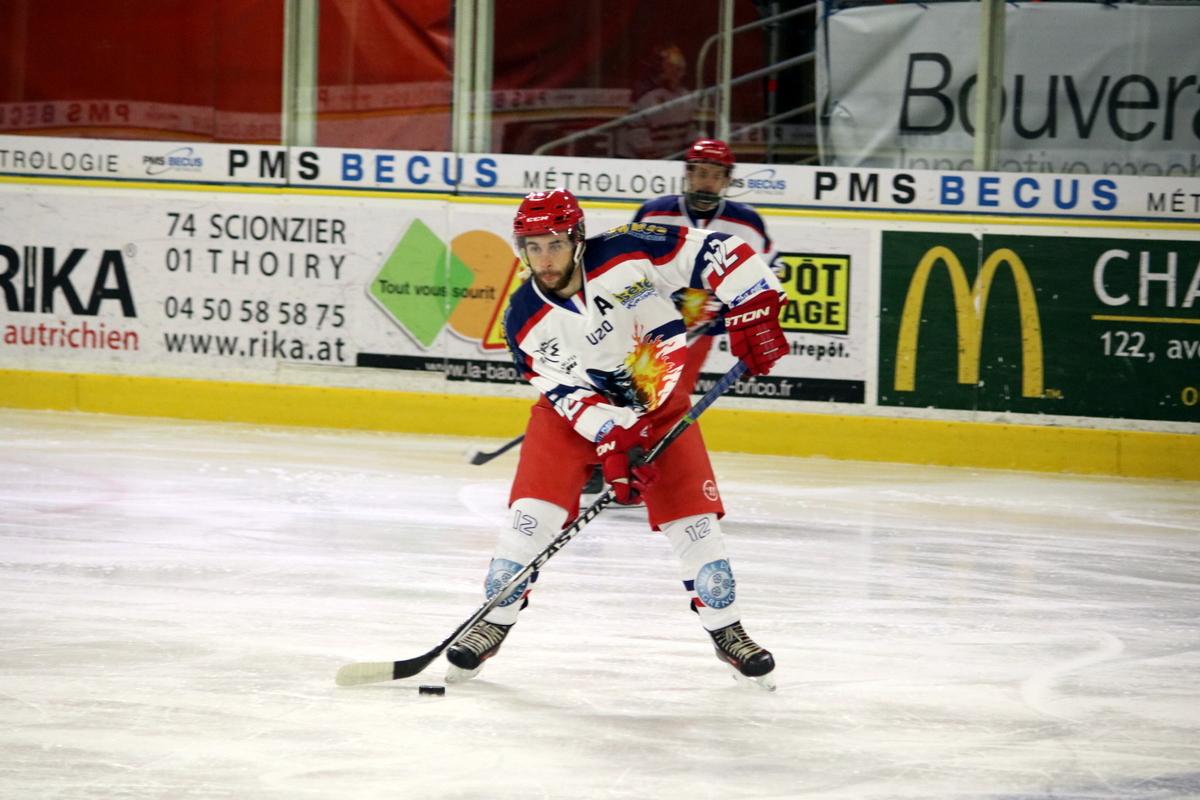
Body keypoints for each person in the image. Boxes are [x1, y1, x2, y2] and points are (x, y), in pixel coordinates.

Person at [444, 188, 787, 690]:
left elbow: (723, 252)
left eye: (555, 243)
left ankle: (726, 630)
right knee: (524, 528)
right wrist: (613, 440)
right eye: (531, 246)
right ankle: (493, 622)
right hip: (572, 421)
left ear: (578, 237)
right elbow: (564, 393)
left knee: (697, 531)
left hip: (661, 407)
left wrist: (756, 305)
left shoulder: (631, 247)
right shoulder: (523, 318)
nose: (544, 258)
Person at [616, 44, 697, 160]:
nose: (678, 74)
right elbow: (638, 136)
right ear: (659, 68)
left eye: (680, 69)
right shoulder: (643, 96)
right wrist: (657, 161)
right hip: (641, 162)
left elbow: (691, 131)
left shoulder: (686, 96)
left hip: (672, 160)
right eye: (672, 68)